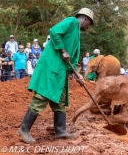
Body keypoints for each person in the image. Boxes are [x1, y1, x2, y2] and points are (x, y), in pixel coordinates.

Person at [18, 7, 94, 143]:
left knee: (59, 100)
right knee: (42, 96)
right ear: (86, 18)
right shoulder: (72, 22)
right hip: (52, 67)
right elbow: (54, 31)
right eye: (89, 23)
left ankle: (60, 131)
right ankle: (24, 129)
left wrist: (77, 75)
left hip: (61, 71)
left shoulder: (77, 33)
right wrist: (63, 50)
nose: (88, 27)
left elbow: (72, 60)